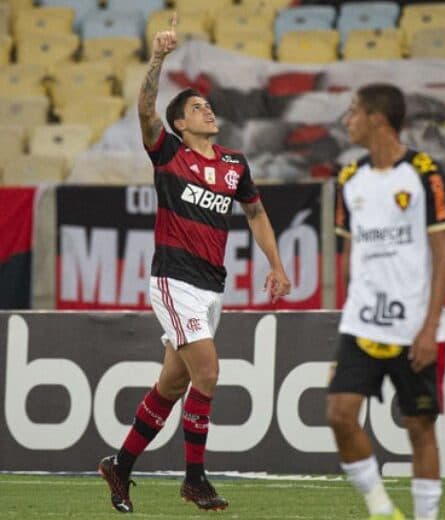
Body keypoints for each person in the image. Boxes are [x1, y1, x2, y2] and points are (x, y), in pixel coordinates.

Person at [98, 15, 291, 513]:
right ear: (180, 124)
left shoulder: (233, 165)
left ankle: (120, 465)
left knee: (173, 383)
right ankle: (195, 479)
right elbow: (145, 111)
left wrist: (276, 265)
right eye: (196, 108)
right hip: (174, 281)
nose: (207, 110)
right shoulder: (168, 154)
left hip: (211, 288)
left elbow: (256, 214)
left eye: (208, 105)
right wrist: (158, 58)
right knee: (207, 373)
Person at [327, 84, 445, 520]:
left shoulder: (425, 173)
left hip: (415, 325)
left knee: (419, 427)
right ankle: (382, 510)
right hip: (362, 322)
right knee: (340, 414)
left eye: (353, 112)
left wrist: (429, 327)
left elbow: (443, 254)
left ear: (377, 119)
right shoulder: (349, 178)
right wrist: (347, 316)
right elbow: (349, 257)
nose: (347, 120)